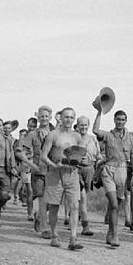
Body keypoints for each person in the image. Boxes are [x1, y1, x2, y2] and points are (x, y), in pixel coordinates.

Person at [41, 107, 86, 251]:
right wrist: (54, 165)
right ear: (60, 118)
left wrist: (81, 161)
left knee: (74, 206)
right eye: (66, 117)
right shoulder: (53, 135)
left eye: (72, 117)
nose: (69, 120)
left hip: (72, 174)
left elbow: (80, 155)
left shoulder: (77, 136)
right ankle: (54, 235)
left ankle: (73, 238)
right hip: (55, 174)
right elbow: (43, 156)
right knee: (54, 206)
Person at [93, 108, 133, 248]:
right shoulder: (108, 135)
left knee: (117, 206)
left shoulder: (130, 138)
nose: (120, 122)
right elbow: (95, 130)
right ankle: (115, 235)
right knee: (113, 203)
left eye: (123, 120)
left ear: (125, 121)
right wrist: (99, 112)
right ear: (114, 120)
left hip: (123, 171)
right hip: (108, 170)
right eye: (118, 119)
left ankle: (110, 231)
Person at [27, 106, 53, 238]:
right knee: (43, 199)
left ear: (50, 118)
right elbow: (21, 152)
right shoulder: (32, 135)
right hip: (38, 172)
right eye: (41, 116)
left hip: (52, 171)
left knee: (51, 201)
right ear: (38, 118)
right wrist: (31, 164)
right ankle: (44, 227)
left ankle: (38, 214)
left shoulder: (55, 133)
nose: (44, 119)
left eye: (46, 116)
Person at [76, 115, 102, 236]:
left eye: (85, 125)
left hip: (90, 171)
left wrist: (101, 162)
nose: (83, 127)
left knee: (83, 197)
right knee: (83, 199)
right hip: (77, 170)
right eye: (81, 125)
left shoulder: (93, 139)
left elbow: (98, 155)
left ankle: (77, 215)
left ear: (88, 125)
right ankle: (85, 226)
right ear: (77, 125)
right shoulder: (74, 138)